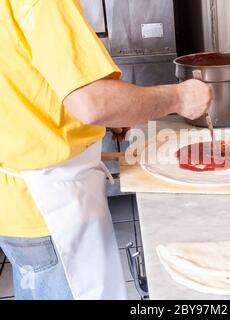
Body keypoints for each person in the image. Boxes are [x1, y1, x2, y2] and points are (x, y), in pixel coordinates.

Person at [0, 0, 212, 300]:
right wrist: (178, 98)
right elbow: (92, 103)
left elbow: (26, 84)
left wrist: (115, 113)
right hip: (50, 204)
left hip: (16, 201)